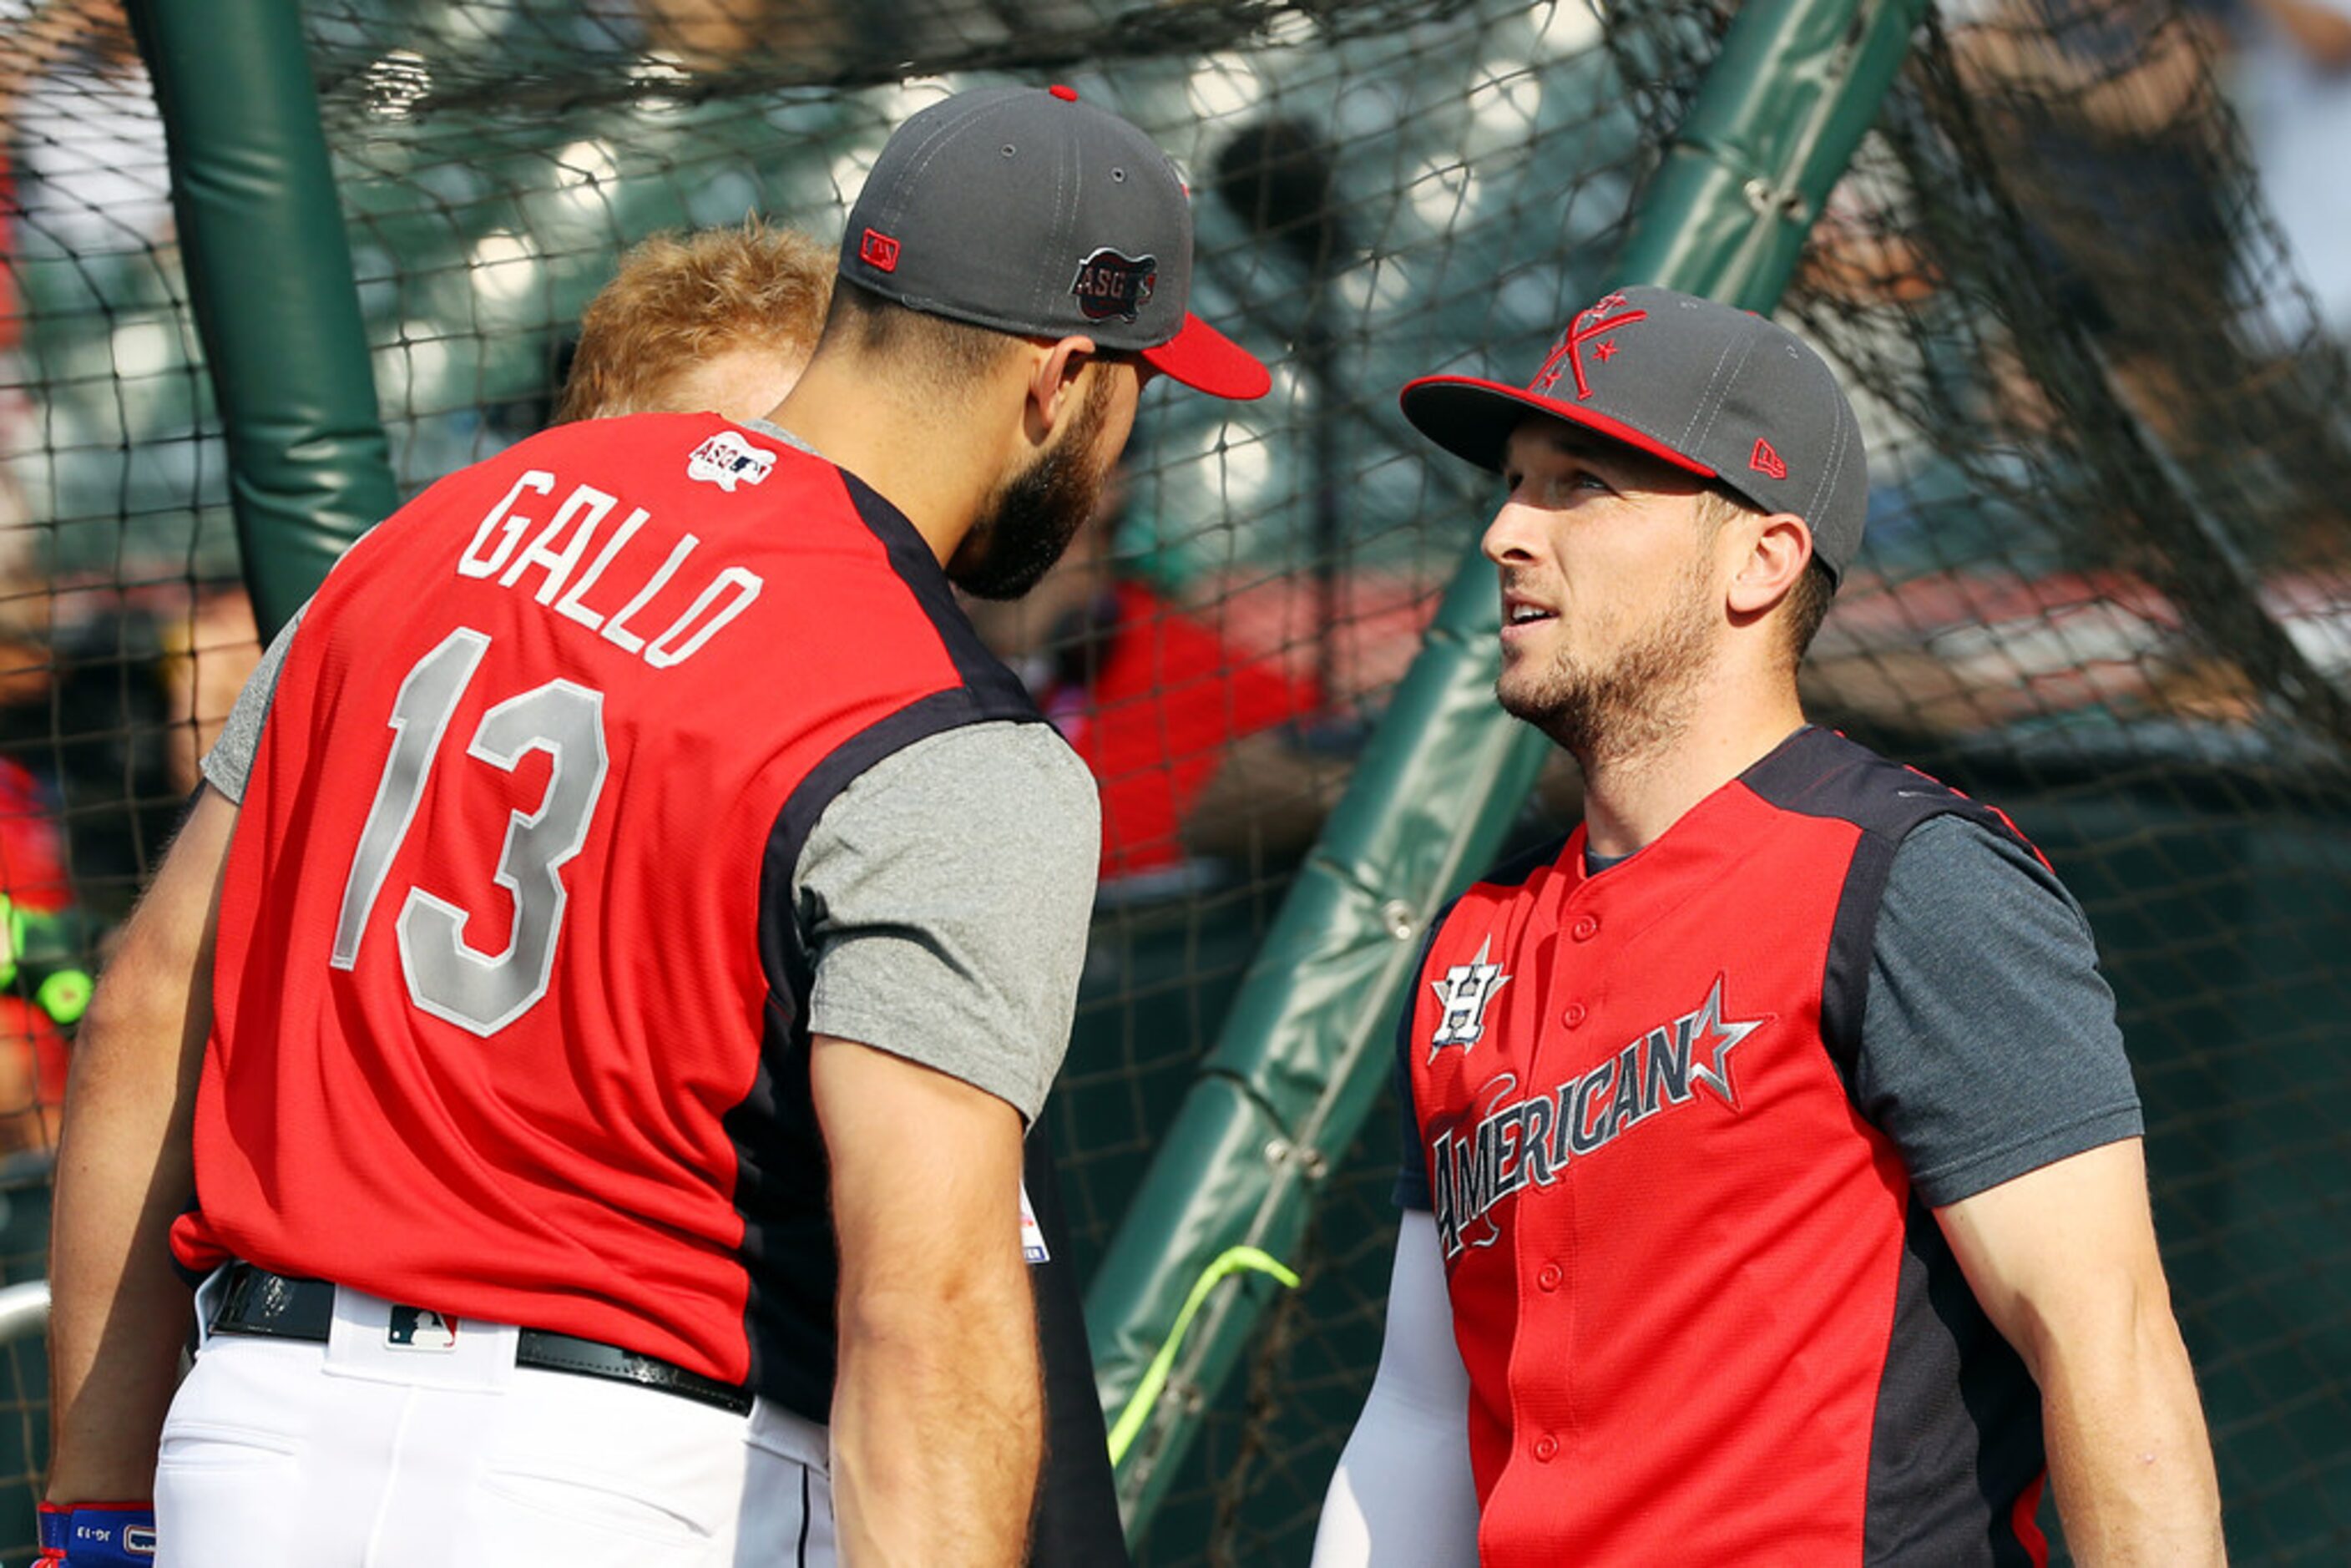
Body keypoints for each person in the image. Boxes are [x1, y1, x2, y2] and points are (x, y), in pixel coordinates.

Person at [43, 83, 1266, 1568]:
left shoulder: (437, 530)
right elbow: (924, 1312)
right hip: (626, 1480)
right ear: (1062, 380)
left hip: (252, 1442)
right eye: (1139, 391)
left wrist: (100, 1509)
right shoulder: (944, 719)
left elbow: (155, 999)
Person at [1311, 286, 2223, 1565]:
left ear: (1764, 558)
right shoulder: (1475, 933)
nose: (1506, 533)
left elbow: (2110, 1350)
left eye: (1580, 485)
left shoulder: (1909, 875)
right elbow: (1420, 1407)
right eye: (1513, 485)